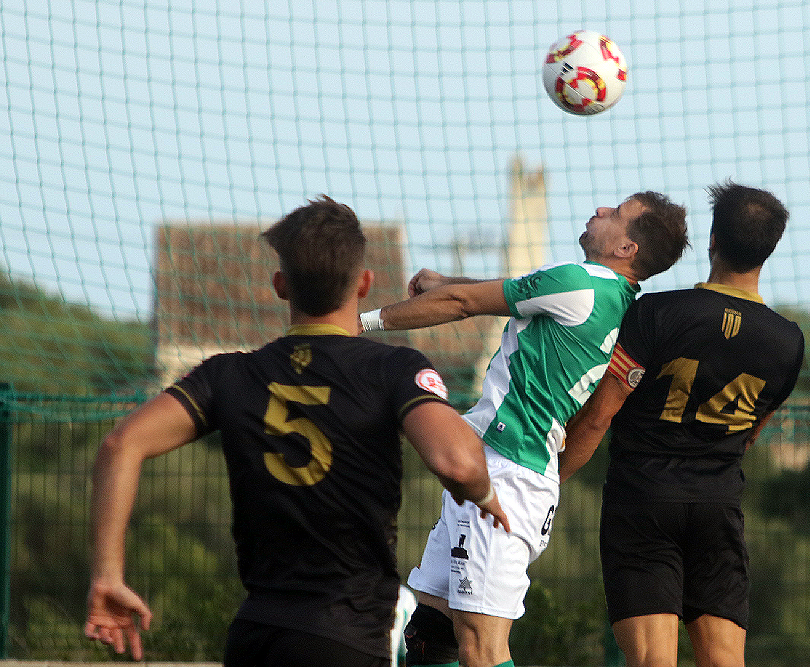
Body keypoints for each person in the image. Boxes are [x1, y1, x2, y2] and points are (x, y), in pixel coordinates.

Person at [84, 195, 510, 666]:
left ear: (281, 285)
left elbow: (120, 444)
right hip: (346, 636)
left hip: (256, 634)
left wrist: (108, 574)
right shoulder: (393, 368)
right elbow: (458, 462)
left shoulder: (228, 375)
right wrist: (486, 495)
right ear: (365, 283)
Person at [359, 191, 689, 667]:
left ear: (627, 249)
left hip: (507, 474)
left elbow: (462, 303)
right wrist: (448, 281)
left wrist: (358, 323)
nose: (599, 210)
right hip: (506, 471)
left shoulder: (581, 282)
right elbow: (509, 294)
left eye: (615, 214)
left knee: (482, 647)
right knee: (432, 633)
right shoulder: (613, 301)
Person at [559, 181, 805, 667]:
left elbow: (599, 417)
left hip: (644, 499)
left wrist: (549, 479)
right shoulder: (788, 342)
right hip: (717, 504)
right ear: (769, 251)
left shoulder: (655, 312)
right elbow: (752, 433)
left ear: (711, 242)